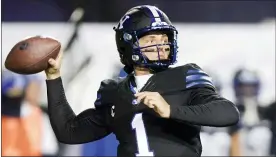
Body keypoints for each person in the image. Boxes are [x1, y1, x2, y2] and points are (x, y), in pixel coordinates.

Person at [45, 5, 239, 157]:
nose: (162, 45)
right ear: (129, 43)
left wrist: (171, 110)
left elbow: (228, 113)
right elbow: (69, 132)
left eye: (164, 38)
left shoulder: (186, 76)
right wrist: (53, 77)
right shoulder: (114, 91)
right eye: (151, 39)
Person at [229, 68, 272, 156]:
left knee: (262, 133)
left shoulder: (265, 111)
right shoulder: (230, 109)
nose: (248, 90)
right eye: (244, 87)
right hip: (237, 150)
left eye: (251, 86)